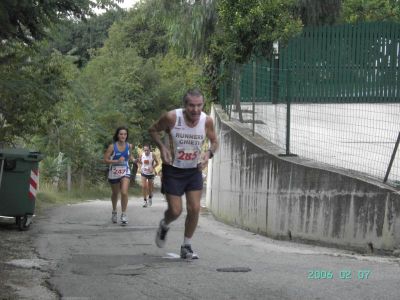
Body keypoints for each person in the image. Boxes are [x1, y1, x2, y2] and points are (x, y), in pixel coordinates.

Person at [148, 88, 218, 259]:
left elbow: (214, 141)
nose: (195, 110)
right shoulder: (172, 117)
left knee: (195, 208)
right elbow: (153, 130)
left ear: (203, 105)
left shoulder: (206, 121)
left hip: (193, 169)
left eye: (199, 105)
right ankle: (164, 224)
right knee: (176, 211)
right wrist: (162, 147)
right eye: (191, 106)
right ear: (184, 105)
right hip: (173, 169)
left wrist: (208, 154)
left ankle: (186, 245)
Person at [103, 126, 135, 225]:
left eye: (125, 134)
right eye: (121, 134)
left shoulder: (129, 146)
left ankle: (124, 214)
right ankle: (114, 211)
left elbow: (130, 156)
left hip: (125, 170)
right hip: (114, 172)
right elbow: (105, 160)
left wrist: (134, 160)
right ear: (117, 135)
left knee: (124, 192)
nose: (123, 136)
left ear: (127, 136)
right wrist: (116, 161)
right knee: (115, 193)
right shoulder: (112, 146)